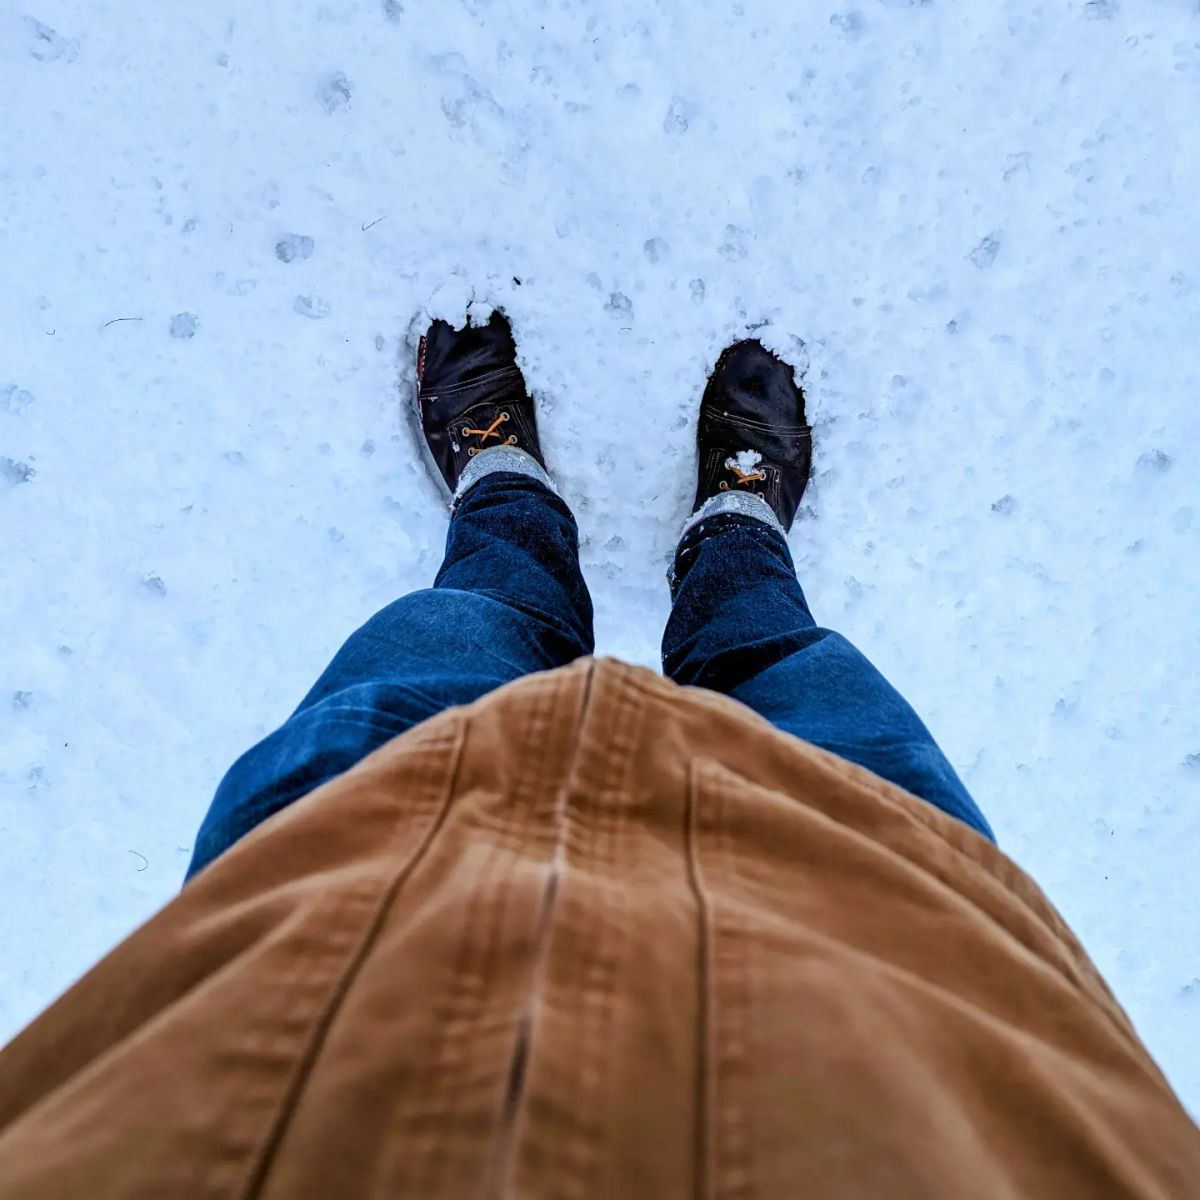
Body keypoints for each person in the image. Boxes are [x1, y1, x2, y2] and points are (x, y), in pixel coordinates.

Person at [0, 311, 1196, 1197]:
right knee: (796, 684)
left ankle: (508, 499)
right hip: (910, 970)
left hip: (330, 924)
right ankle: (733, 533)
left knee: (457, 644)